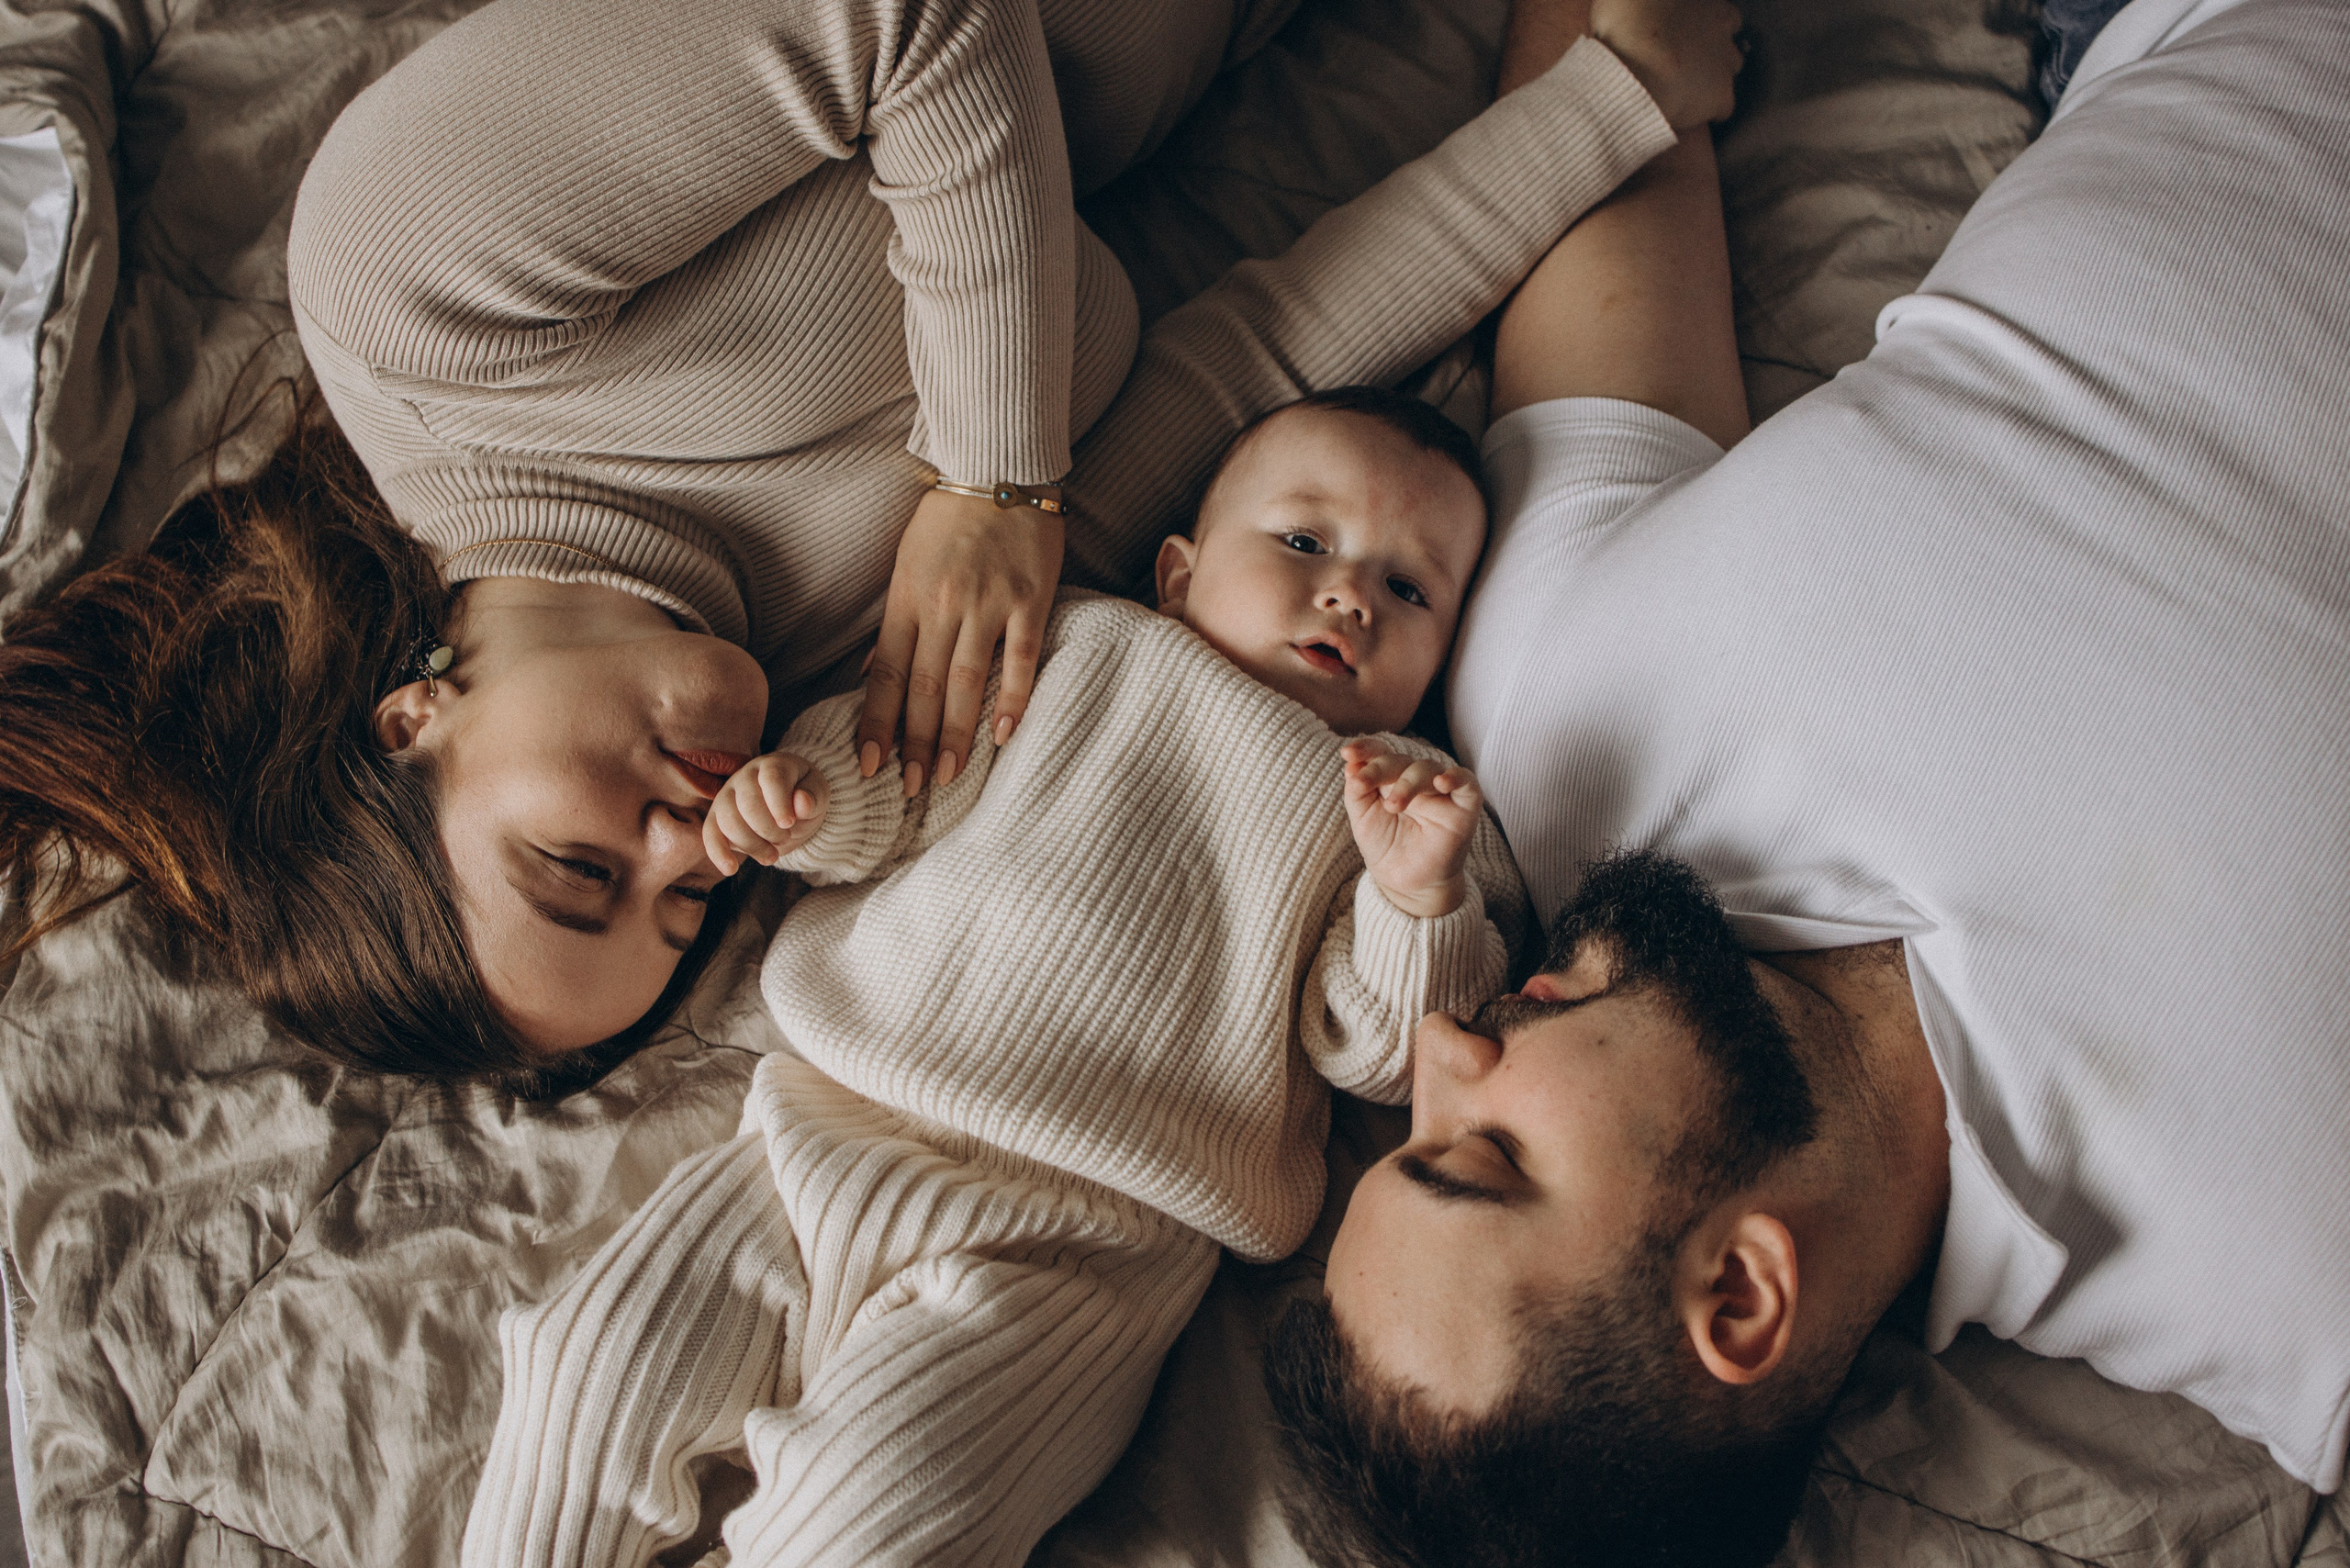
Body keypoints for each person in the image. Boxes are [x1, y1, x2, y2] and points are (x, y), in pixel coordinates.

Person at [0, 0, 1719, 1083]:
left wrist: (993, 480)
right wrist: (1614, 103)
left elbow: (901, 15)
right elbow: (1247, 365)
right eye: (681, 914)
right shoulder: (850, 673)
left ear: (410, 723)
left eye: (585, 867)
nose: (689, 848)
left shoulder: (409, 298)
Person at [1264, 0, 2350, 1562]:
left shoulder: (1567, 726)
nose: (1440, 1044)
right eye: (1484, 1158)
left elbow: (1612, 92)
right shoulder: (2283, 1279)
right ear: (1741, 1293)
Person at [464, 383, 1540, 1567]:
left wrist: (1417, 897)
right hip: (824, 1129)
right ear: (1178, 575)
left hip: (1082, 1245)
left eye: (1409, 588)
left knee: (874, 1511)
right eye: (1302, 541)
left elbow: (1383, 1047)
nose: (1348, 593)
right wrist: (806, 803)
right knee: (588, 1366)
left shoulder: (1395, 800)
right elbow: (908, 768)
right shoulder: (1079, 645)